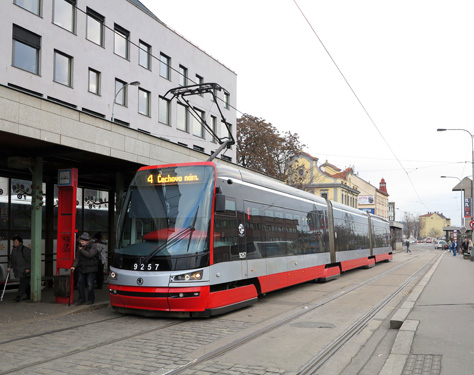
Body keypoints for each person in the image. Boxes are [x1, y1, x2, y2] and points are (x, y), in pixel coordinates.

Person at [71, 232, 99, 305]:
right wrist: (74, 266)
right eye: (81, 241)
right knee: (80, 284)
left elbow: (90, 255)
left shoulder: (93, 245)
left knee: (90, 284)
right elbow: (77, 257)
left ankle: (90, 299)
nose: (81, 242)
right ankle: (81, 299)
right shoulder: (80, 246)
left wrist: (82, 250)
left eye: (83, 241)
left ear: (87, 241)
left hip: (91, 268)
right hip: (82, 267)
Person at [7, 235, 31, 302]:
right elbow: (12, 260)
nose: (14, 243)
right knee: (26, 284)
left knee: (23, 284)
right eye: (14, 241)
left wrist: (28, 268)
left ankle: (18, 296)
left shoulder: (25, 249)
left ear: (20, 242)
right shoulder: (14, 250)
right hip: (19, 270)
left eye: (15, 241)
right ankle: (29, 295)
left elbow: (29, 260)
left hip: (25, 270)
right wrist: (9, 266)